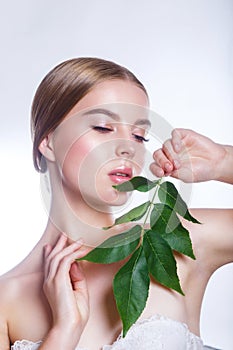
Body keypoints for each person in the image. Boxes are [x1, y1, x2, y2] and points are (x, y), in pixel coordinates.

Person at [0, 57, 232, 350]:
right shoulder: (5, 301)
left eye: (140, 135)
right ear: (48, 142)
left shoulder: (178, 242)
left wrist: (224, 162)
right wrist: (63, 331)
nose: (128, 146)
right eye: (102, 127)